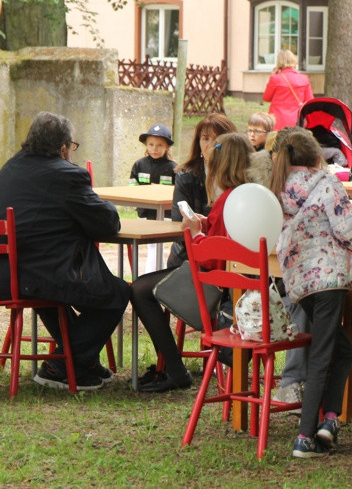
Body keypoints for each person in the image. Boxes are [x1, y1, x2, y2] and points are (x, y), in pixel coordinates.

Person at [270, 130, 352, 458]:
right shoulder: (327, 184)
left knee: (341, 348)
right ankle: (305, 437)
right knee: (324, 353)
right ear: (315, 156)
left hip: (298, 282)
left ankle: (330, 419)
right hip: (330, 278)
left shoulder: (275, 187)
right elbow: (346, 231)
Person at [0, 112, 130, 390]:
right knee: (118, 292)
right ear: (63, 149)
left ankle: (81, 364)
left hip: (6, 275)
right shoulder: (67, 175)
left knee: (53, 294)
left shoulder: (9, 168)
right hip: (40, 277)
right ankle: (59, 366)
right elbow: (107, 223)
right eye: (72, 146)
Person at [130, 133, 254, 392]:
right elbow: (230, 238)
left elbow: (212, 258)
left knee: (140, 289)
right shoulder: (248, 196)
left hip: (218, 289)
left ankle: (174, 370)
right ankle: (173, 369)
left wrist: (196, 234)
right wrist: (206, 224)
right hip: (244, 290)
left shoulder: (226, 200)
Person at [247, 125, 309, 413]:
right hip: (259, 307)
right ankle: (293, 382)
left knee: (309, 303)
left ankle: (306, 381)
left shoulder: (297, 193)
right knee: (303, 305)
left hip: (256, 301)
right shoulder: (264, 197)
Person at [167, 113, 237, 268]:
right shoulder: (186, 177)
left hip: (232, 262)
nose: (211, 145)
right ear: (198, 143)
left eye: (218, 139)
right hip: (188, 258)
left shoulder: (241, 178)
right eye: (205, 138)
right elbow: (180, 223)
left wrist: (209, 224)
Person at [130, 123, 177, 273]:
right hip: (145, 214)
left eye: (159, 145)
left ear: (167, 147)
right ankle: (156, 276)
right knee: (154, 246)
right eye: (151, 144)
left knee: (156, 246)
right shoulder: (138, 165)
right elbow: (133, 188)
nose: (154, 149)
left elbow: (177, 192)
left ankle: (152, 276)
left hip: (166, 216)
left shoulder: (173, 168)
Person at [262, 49, 314, 130]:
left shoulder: (275, 78)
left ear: (279, 62)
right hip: (296, 119)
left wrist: (272, 77)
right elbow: (309, 101)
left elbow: (266, 98)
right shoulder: (304, 78)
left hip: (277, 120)